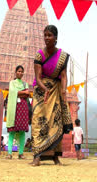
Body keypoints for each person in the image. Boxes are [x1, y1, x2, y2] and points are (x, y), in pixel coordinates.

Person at [31, 25, 73, 166]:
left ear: (56, 38)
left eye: (50, 35)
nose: (47, 38)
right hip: (41, 91)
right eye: (45, 35)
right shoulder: (39, 55)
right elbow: (38, 77)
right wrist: (44, 89)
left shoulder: (62, 56)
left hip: (55, 90)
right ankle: (37, 156)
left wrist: (63, 91)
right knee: (38, 121)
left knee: (56, 122)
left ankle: (55, 157)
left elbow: (63, 75)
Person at [6, 65, 29, 160]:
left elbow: (27, 94)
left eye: (21, 71)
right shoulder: (12, 82)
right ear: (15, 72)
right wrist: (22, 93)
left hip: (23, 108)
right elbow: (12, 92)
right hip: (14, 108)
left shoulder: (25, 84)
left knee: (22, 131)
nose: (20, 73)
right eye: (18, 71)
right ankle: (9, 153)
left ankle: (21, 153)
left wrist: (18, 92)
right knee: (12, 130)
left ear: (23, 73)